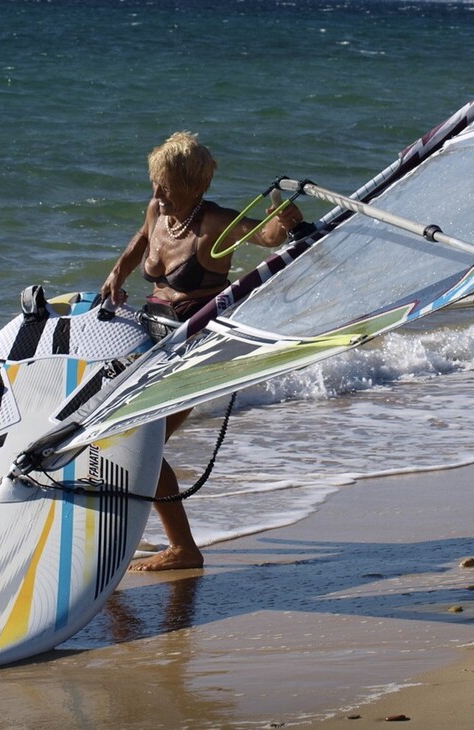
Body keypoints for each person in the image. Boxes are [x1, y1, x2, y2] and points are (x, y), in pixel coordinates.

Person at [100, 131, 305, 571]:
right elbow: (143, 237)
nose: (157, 194)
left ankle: (183, 549)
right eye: (155, 184)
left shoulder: (214, 224)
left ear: (196, 187)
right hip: (148, 336)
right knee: (111, 430)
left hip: (192, 348)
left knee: (143, 442)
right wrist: (119, 273)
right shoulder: (159, 209)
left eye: (167, 186)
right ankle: (122, 532)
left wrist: (284, 221)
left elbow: (265, 236)